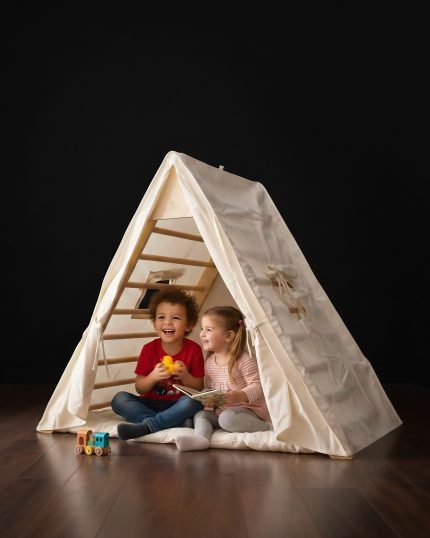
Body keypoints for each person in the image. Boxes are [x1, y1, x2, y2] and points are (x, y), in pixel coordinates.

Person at [112, 288, 204, 440]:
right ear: (154, 323)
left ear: (188, 325)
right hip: (149, 403)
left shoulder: (194, 350)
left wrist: (186, 376)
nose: (167, 322)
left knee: (194, 402)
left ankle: (149, 426)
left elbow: (199, 387)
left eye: (175, 317)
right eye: (161, 317)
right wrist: (153, 377)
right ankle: (172, 421)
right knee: (119, 399)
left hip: (178, 403)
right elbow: (140, 387)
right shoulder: (149, 349)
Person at [175, 306, 270, 451]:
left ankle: (264, 427)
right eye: (202, 329)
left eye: (209, 330)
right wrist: (204, 397)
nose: (202, 334)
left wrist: (238, 396)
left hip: (250, 411)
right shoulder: (209, 362)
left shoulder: (244, 360)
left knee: (227, 419)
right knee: (201, 415)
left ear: (228, 336)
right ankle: (202, 439)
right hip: (223, 411)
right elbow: (210, 387)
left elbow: (258, 386)